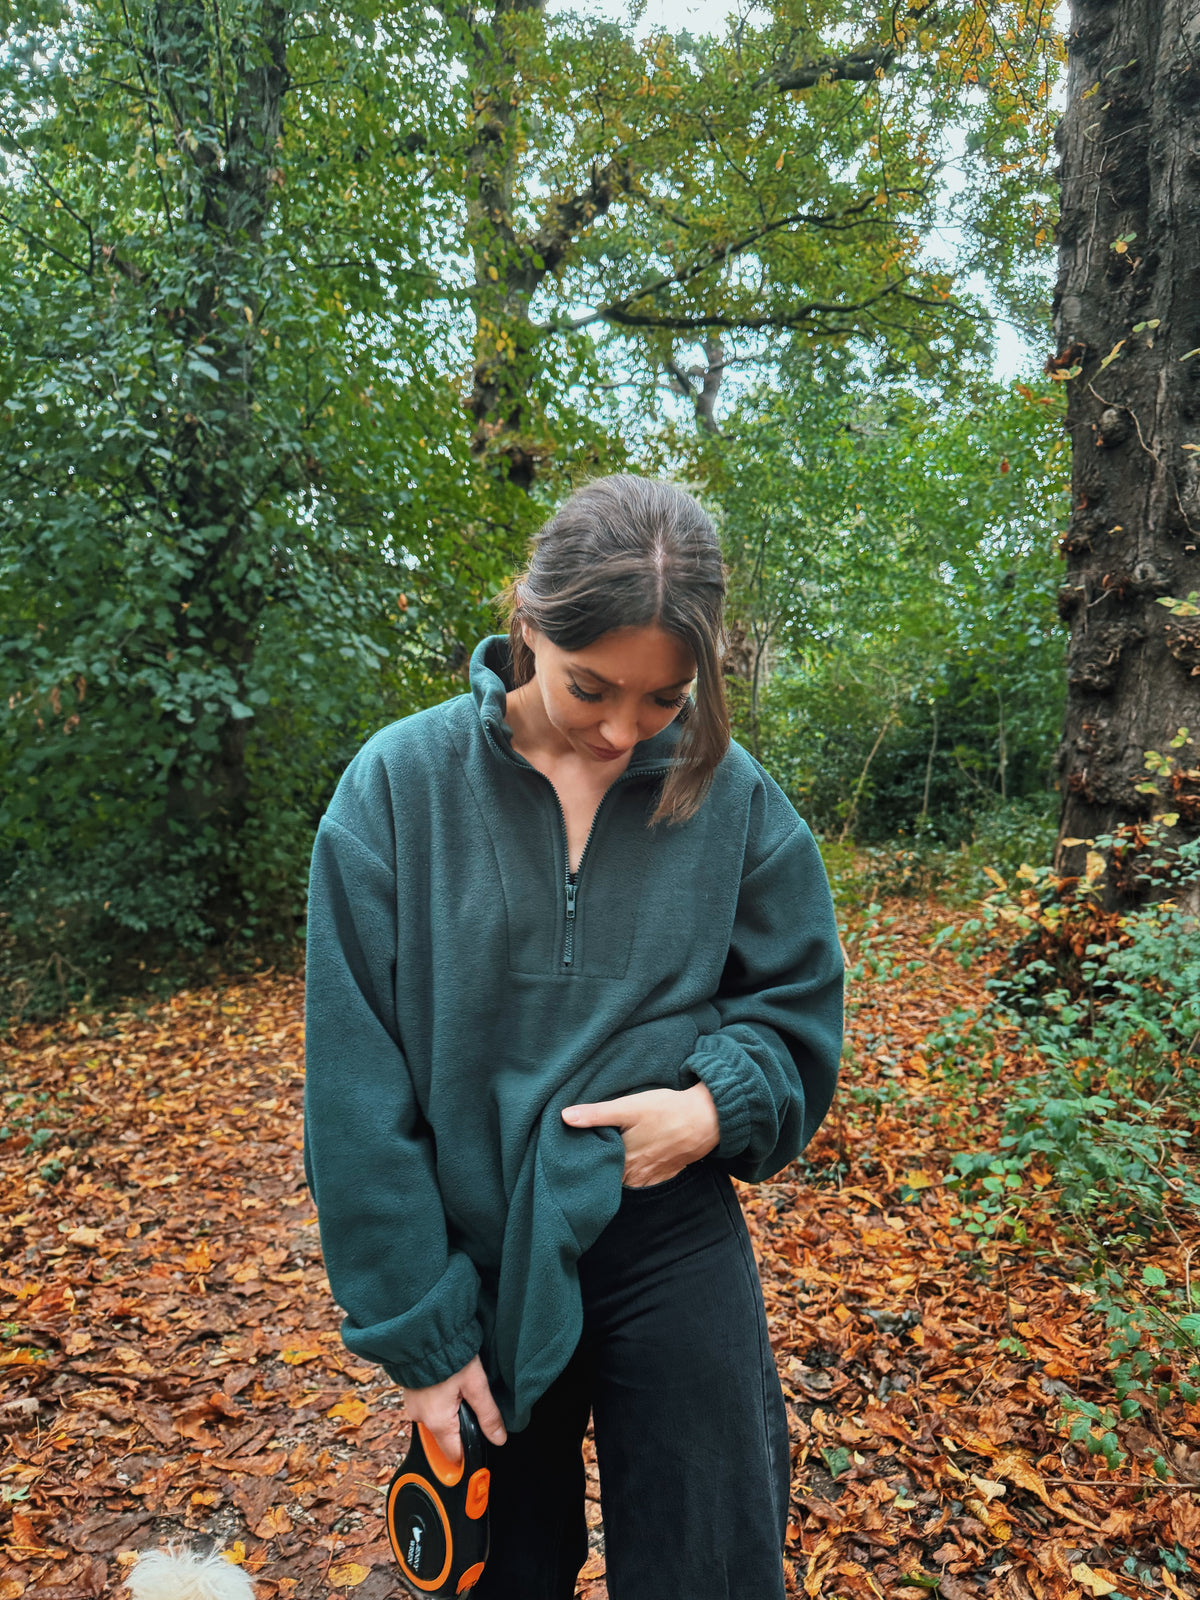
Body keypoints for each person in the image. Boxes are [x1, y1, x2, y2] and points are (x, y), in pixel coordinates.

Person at [303, 473, 845, 1600]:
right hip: (479, 1258)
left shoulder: (732, 797)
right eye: (589, 685)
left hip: (671, 1241)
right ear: (527, 619)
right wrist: (422, 1330)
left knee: (711, 1567)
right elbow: (355, 1100)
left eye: (662, 701)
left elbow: (797, 1006)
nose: (619, 730)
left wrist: (712, 1110)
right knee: (499, 1574)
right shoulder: (392, 794)